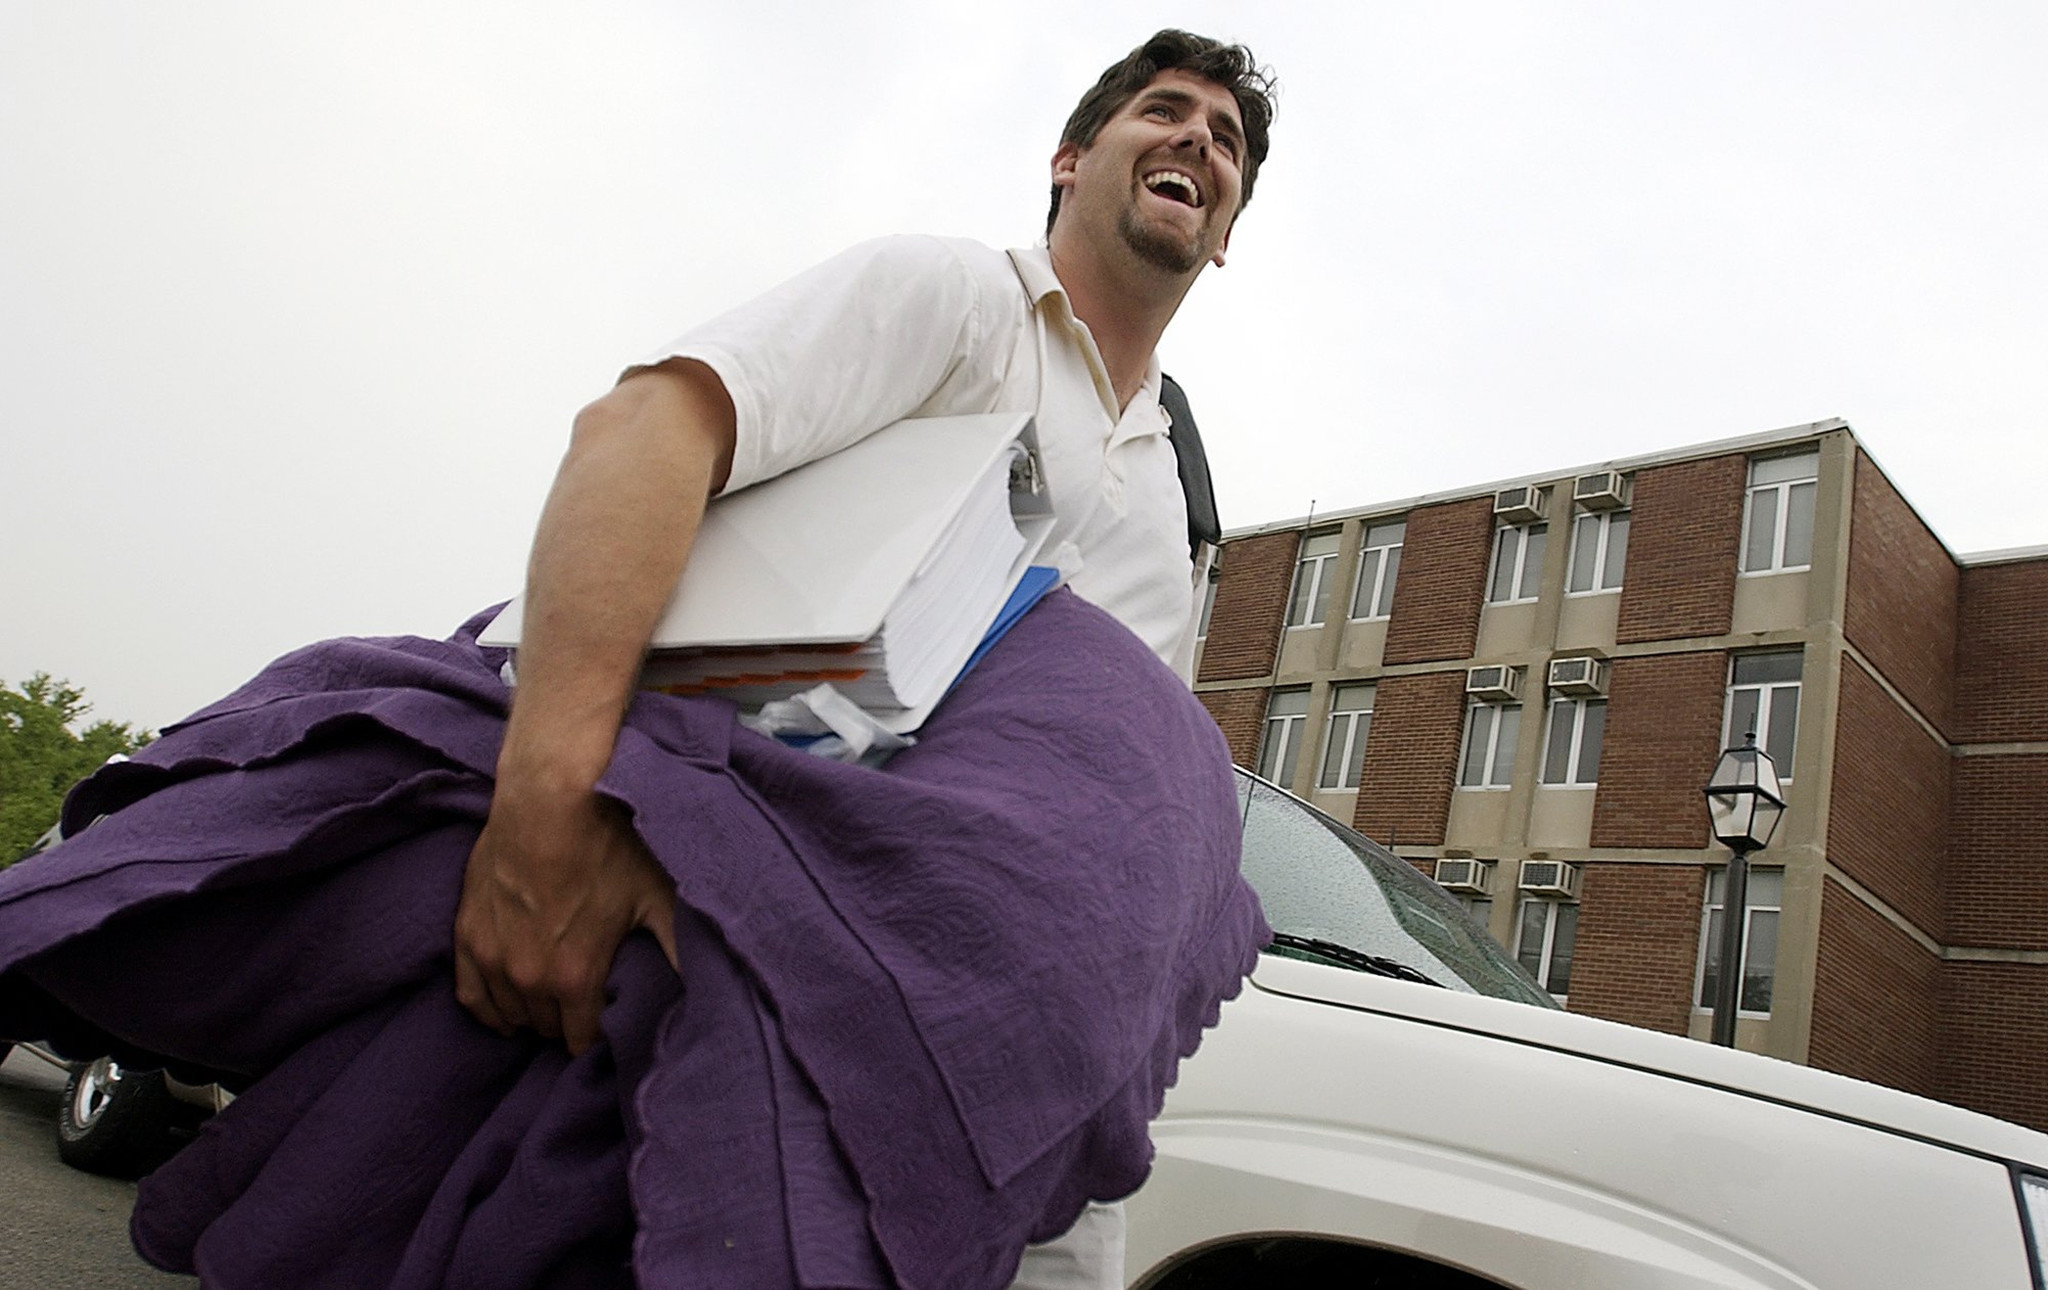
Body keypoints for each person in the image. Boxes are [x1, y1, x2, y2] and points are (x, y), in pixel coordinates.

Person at [0, 30, 1275, 1290]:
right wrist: (542, 814)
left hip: (974, 1063)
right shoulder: (954, 300)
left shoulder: (1176, 505)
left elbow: (1104, 813)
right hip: (712, 893)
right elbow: (646, 432)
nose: (1195, 144)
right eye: (1162, 112)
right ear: (1069, 158)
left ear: (1224, 232)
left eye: (1225, 144)